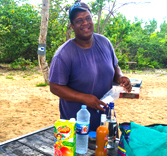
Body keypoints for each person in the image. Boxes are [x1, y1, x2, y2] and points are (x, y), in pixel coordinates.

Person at [49, 2, 132, 131]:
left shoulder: (104, 43)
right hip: (75, 126)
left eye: (88, 18)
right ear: (72, 26)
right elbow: (55, 87)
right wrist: (84, 98)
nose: (85, 23)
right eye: (79, 20)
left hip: (105, 121)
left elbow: (115, 67)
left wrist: (120, 77)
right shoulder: (64, 54)